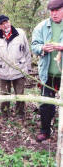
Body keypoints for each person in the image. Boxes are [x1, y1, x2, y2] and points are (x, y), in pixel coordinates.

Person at [31, 0, 63, 142]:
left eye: (57, 10)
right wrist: (42, 48)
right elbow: (34, 46)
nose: (54, 14)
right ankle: (45, 131)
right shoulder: (42, 27)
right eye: (52, 11)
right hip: (47, 74)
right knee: (46, 104)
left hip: (61, 74)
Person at [0, 15, 31, 118]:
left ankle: (20, 114)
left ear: (10, 21)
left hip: (19, 70)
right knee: (4, 95)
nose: (5, 25)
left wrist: (28, 68)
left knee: (20, 94)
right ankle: (5, 114)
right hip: (3, 72)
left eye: (6, 22)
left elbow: (27, 52)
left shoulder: (20, 34)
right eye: (2, 24)